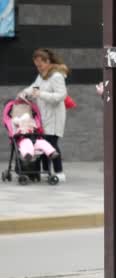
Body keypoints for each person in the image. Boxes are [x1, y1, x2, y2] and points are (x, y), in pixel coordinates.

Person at [18, 48, 70, 182]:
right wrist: (24, 93)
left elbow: (60, 95)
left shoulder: (56, 76)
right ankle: (46, 171)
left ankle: (59, 172)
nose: (38, 67)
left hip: (54, 115)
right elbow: (35, 87)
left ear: (48, 61)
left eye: (40, 64)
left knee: (51, 144)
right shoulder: (42, 76)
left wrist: (40, 94)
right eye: (36, 65)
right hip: (44, 115)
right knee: (42, 143)